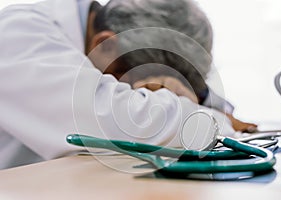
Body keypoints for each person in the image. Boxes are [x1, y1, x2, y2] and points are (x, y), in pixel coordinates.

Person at [0, 0, 256, 169]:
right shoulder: (18, 33)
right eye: (138, 85)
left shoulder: (80, 38)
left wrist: (197, 99)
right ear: (107, 44)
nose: (145, 92)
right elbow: (123, 124)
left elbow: (209, 104)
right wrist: (209, 119)